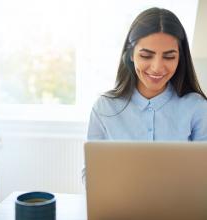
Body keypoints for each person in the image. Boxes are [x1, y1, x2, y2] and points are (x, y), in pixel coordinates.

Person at [87, 7, 207, 141]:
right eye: (146, 55)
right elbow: (93, 162)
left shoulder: (197, 107)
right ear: (131, 54)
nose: (157, 68)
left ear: (180, 58)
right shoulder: (104, 108)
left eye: (169, 57)